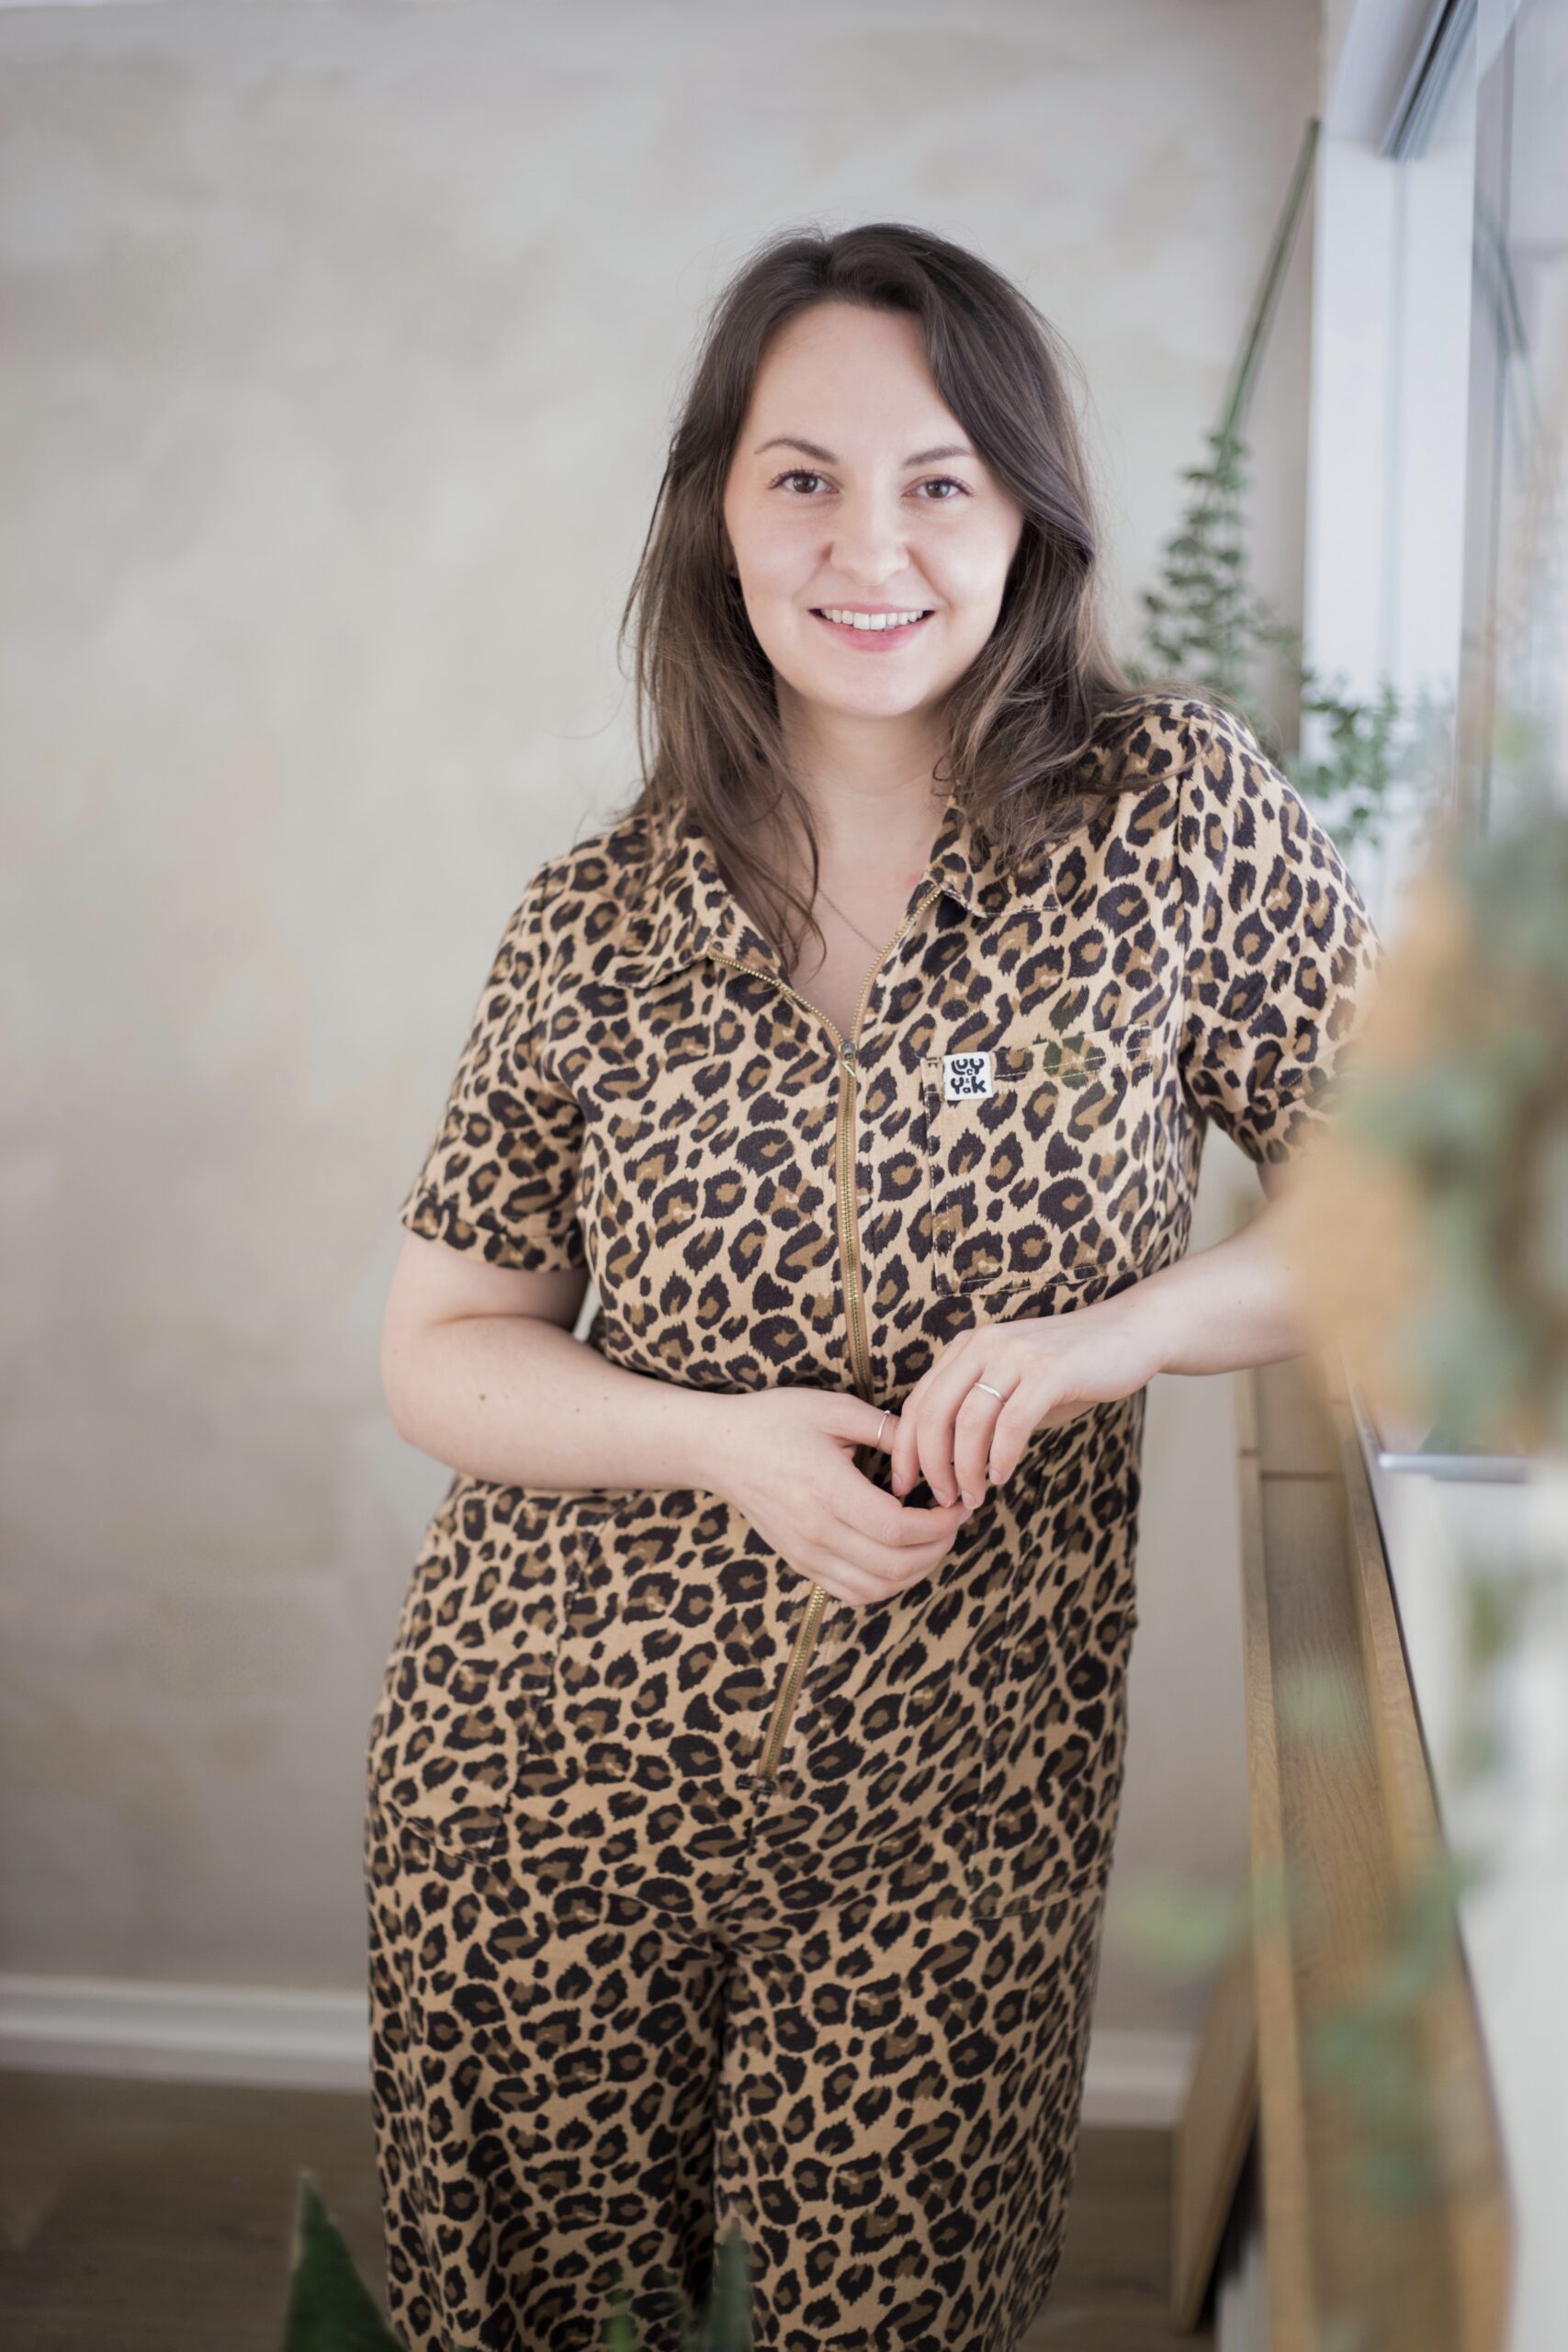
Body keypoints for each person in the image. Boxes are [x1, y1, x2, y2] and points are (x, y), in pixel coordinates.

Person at [364, 221, 1382, 2352]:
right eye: (800, 474)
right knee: (542, 2319)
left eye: (938, 478)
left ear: (1024, 510)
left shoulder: (1167, 816)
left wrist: (1117, 1333)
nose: (870, 543)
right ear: (715, 512)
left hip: (958, 1803)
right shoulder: (591, 917)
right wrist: (711, 1442)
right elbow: (439, 1348)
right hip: (538, 1766)